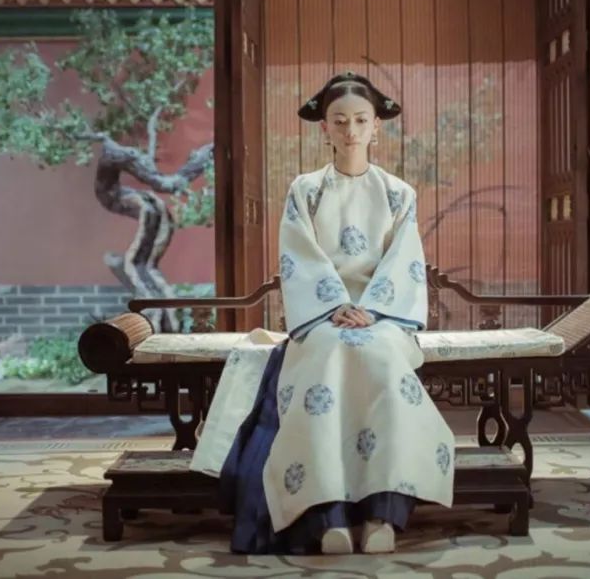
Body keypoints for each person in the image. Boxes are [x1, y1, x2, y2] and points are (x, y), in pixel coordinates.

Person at [194, 72, 455, 555]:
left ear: (376, 126)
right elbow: (300, 258)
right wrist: (335, 305)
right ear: (324, 128)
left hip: (382, 317)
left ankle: (382, 515)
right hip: (322, 316)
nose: (350, 131)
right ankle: (327, 516)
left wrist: (371, 310)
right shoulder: (306, 189)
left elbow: (404, 263)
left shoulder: (398, 193)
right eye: (340, 121)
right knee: (328, 360)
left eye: (360, 120)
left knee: (382, 361)